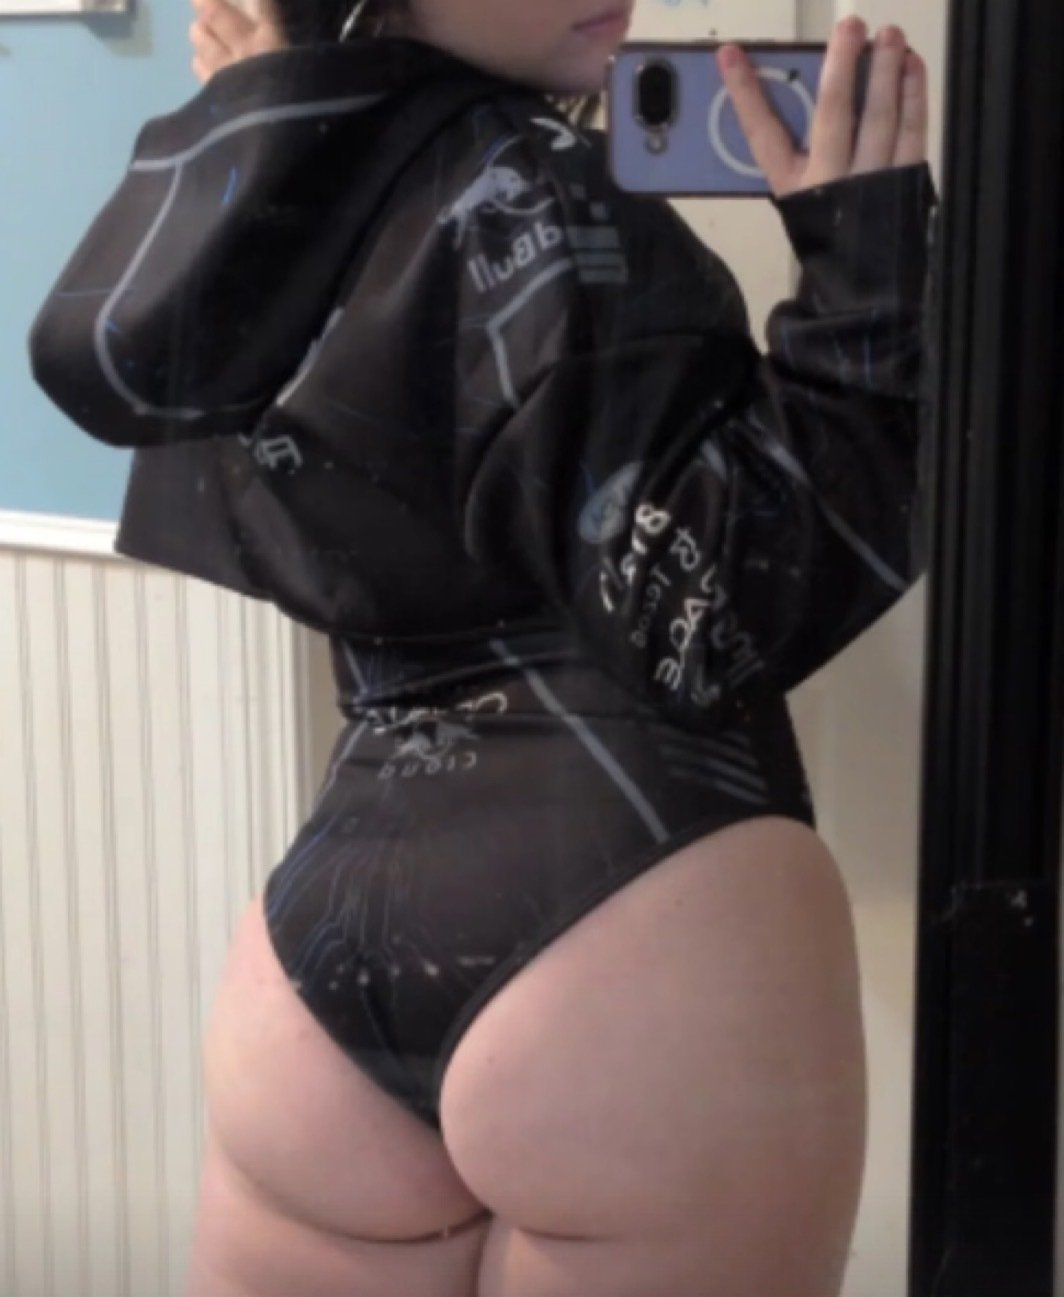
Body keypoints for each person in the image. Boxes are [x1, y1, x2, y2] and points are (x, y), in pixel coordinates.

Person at [28, 2, 935, 1293]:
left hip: (318, 968)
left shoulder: (252, 199)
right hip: (635, 921)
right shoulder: (543, 188)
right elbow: (719, 616)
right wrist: (867, 279)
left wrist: (290, 110)